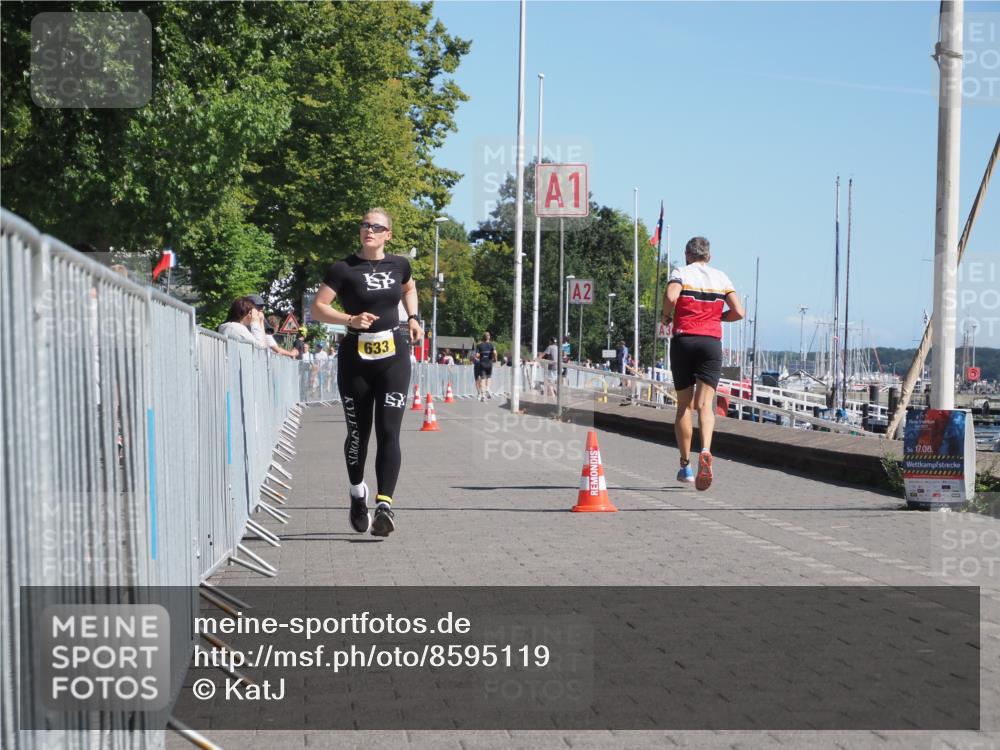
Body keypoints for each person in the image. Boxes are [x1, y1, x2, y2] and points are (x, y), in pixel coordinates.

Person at [311, 208, 422, 538]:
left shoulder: (399, 264)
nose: (368, 230)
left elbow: (409, 287)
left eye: (376, 227)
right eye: (364, 225)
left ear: (388, 234)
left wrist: (414, 318)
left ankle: (385, 505)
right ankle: (358, 493)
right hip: (356, 357)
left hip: (393, 355)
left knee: (390, 432)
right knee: (359, 434)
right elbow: (319, 308)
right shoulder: (343, 268)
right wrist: (350, 320)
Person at [661, 236, 744, 491]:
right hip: (711, 343)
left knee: (684, 406)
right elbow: (739, 312)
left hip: (685, 340)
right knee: (705, 405)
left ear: (687, 255)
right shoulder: (721, 278)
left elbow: (672, 296)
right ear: (708, 257)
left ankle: (685, 465)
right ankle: (705, 450)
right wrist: (717, 318)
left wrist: (666, 317)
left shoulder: (680, 272)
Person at [473, 332, 497, 401]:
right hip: (489, 363)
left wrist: (479, 357)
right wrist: (495, 359)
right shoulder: (492, 345)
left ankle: (483, 394)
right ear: (489, 337)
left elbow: (477, 355)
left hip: (482, 363)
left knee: (482, 379)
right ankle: (488, 389)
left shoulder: (479, 345)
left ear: (483, 337)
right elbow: (495, 352)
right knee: (489, 377)